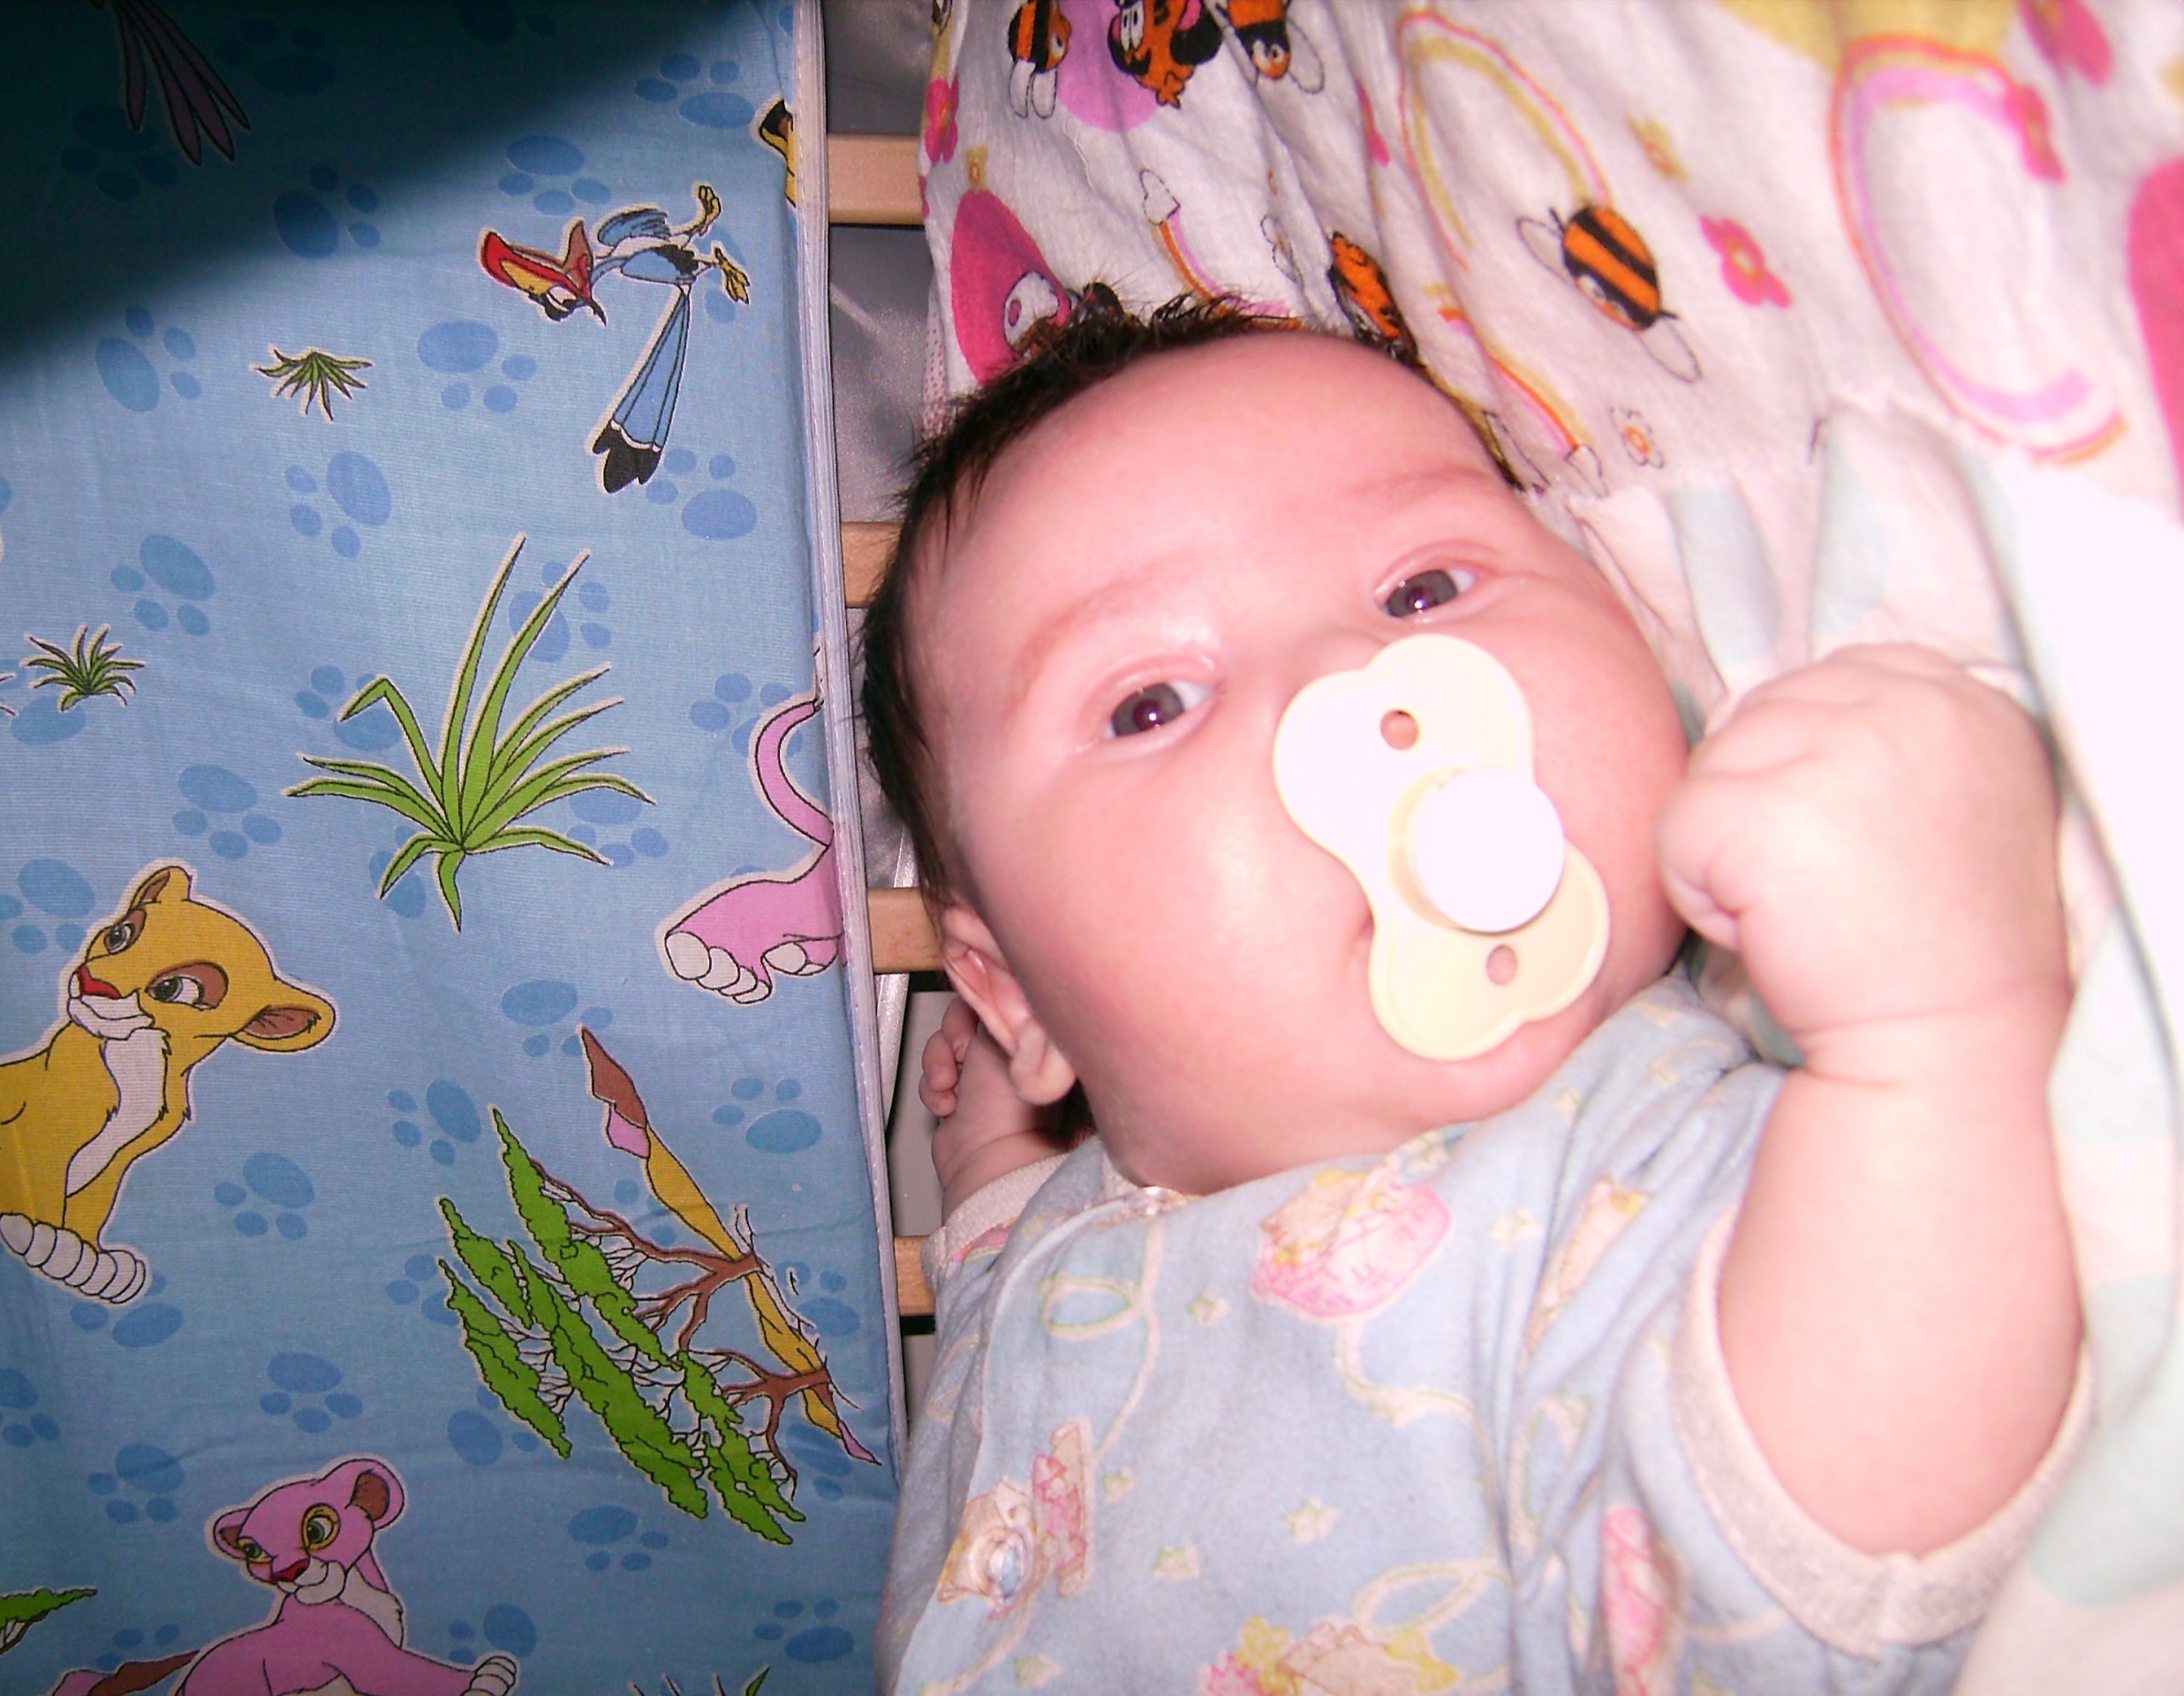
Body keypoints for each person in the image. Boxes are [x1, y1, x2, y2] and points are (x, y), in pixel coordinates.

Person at [862, 299, 2084, 1693]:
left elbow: (1804, 1575)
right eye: (1152, 702)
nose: (1359, 681)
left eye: (1424, 591)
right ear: (1011, 993)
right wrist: (997, 1187)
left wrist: (1936, 1039)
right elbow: (1004, 1348)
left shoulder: (1634, 1165)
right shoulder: (1071, 1227)